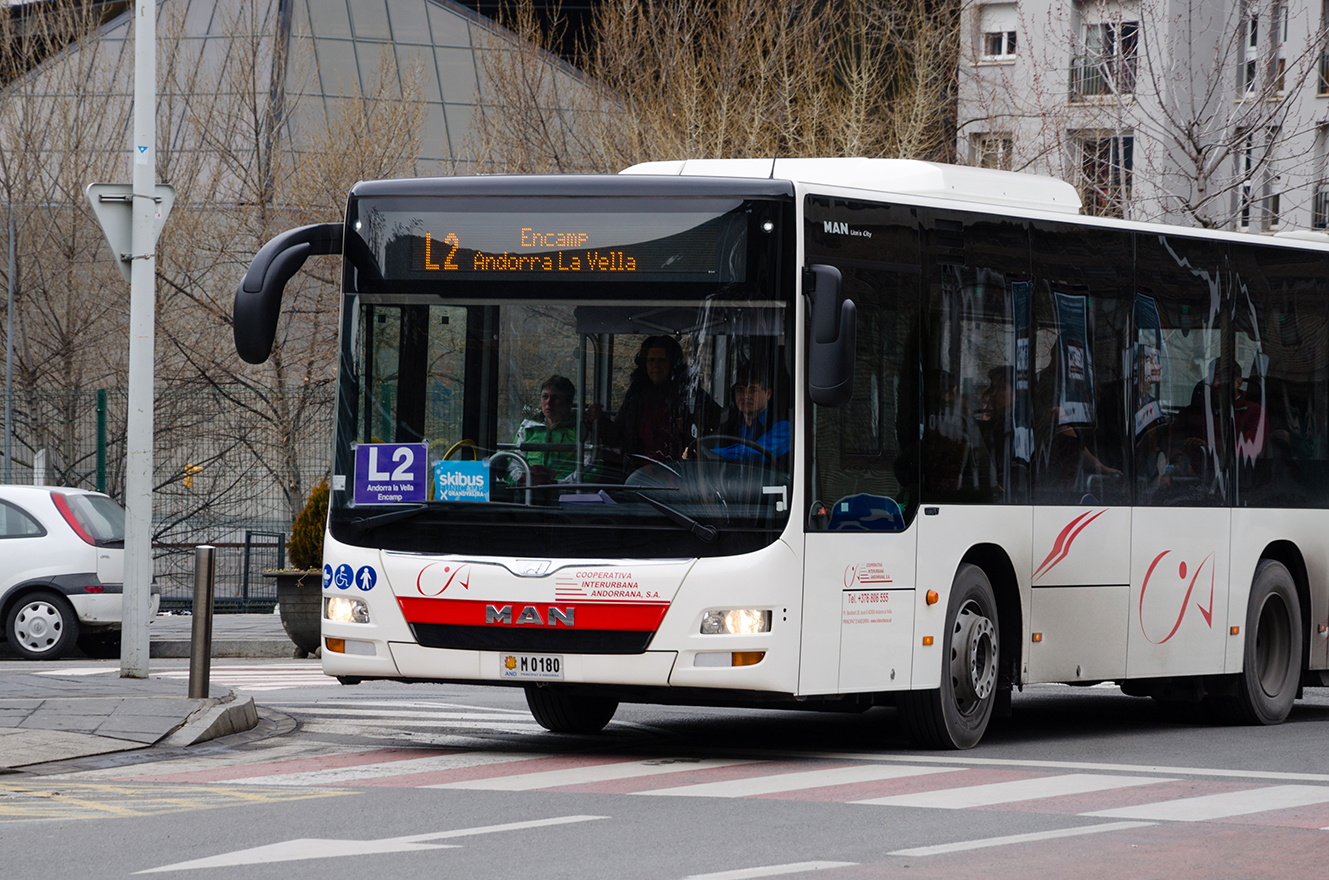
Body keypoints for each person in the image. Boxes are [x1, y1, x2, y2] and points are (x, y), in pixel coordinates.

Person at [593, 335, 721, 473]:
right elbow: (617, 434)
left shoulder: (689, 393)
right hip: (639, 473)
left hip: (681, 475)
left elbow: (719, 422)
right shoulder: (637, 394)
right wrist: (598, 418)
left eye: (661, 360)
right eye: (651, 360)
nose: (655, 365)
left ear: (672, 364)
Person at [706, 364, 790, 463]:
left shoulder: (783, 426)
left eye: (753, 390)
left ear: (768, 393)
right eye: (740, 390)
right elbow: (712, 445)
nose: (745, 396)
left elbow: (752, 453)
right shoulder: (729, 422)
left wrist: (711, 454)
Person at [512, 375, 579, 485]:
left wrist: (559, 484)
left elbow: (591, 467)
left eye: (555, 397)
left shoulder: (580, 430)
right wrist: (522, 479)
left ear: (568, 402)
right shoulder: (528, 428)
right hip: (528, 491)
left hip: (566, 494)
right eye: (545, 397)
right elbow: (514, 461)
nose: (549, 402)